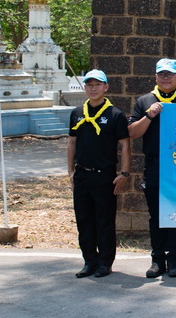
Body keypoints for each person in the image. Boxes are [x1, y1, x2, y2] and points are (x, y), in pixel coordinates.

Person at [129, 58, 176, 278]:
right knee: (156, 215)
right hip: (155, 165)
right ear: (155, 77)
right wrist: (149, 115)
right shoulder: (144, 100)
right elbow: (133, 132)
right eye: (162, 74)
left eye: (170, 74)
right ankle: (157, 260)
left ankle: (173, 259)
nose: (166, 78)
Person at [67, 69, 131, 278]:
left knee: (104, 221)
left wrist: (124, 173)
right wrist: (70, 171)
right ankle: (89, 261)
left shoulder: (115, 114)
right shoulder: (77, 113)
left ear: (106, 87)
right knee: (84, 220)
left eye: (97, 85)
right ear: (85, 87)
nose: (93, 89)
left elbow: (125, 145)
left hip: (104, 175)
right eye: (89, 85)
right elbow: (72, 142)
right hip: (82, 174)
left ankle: (105, 262)